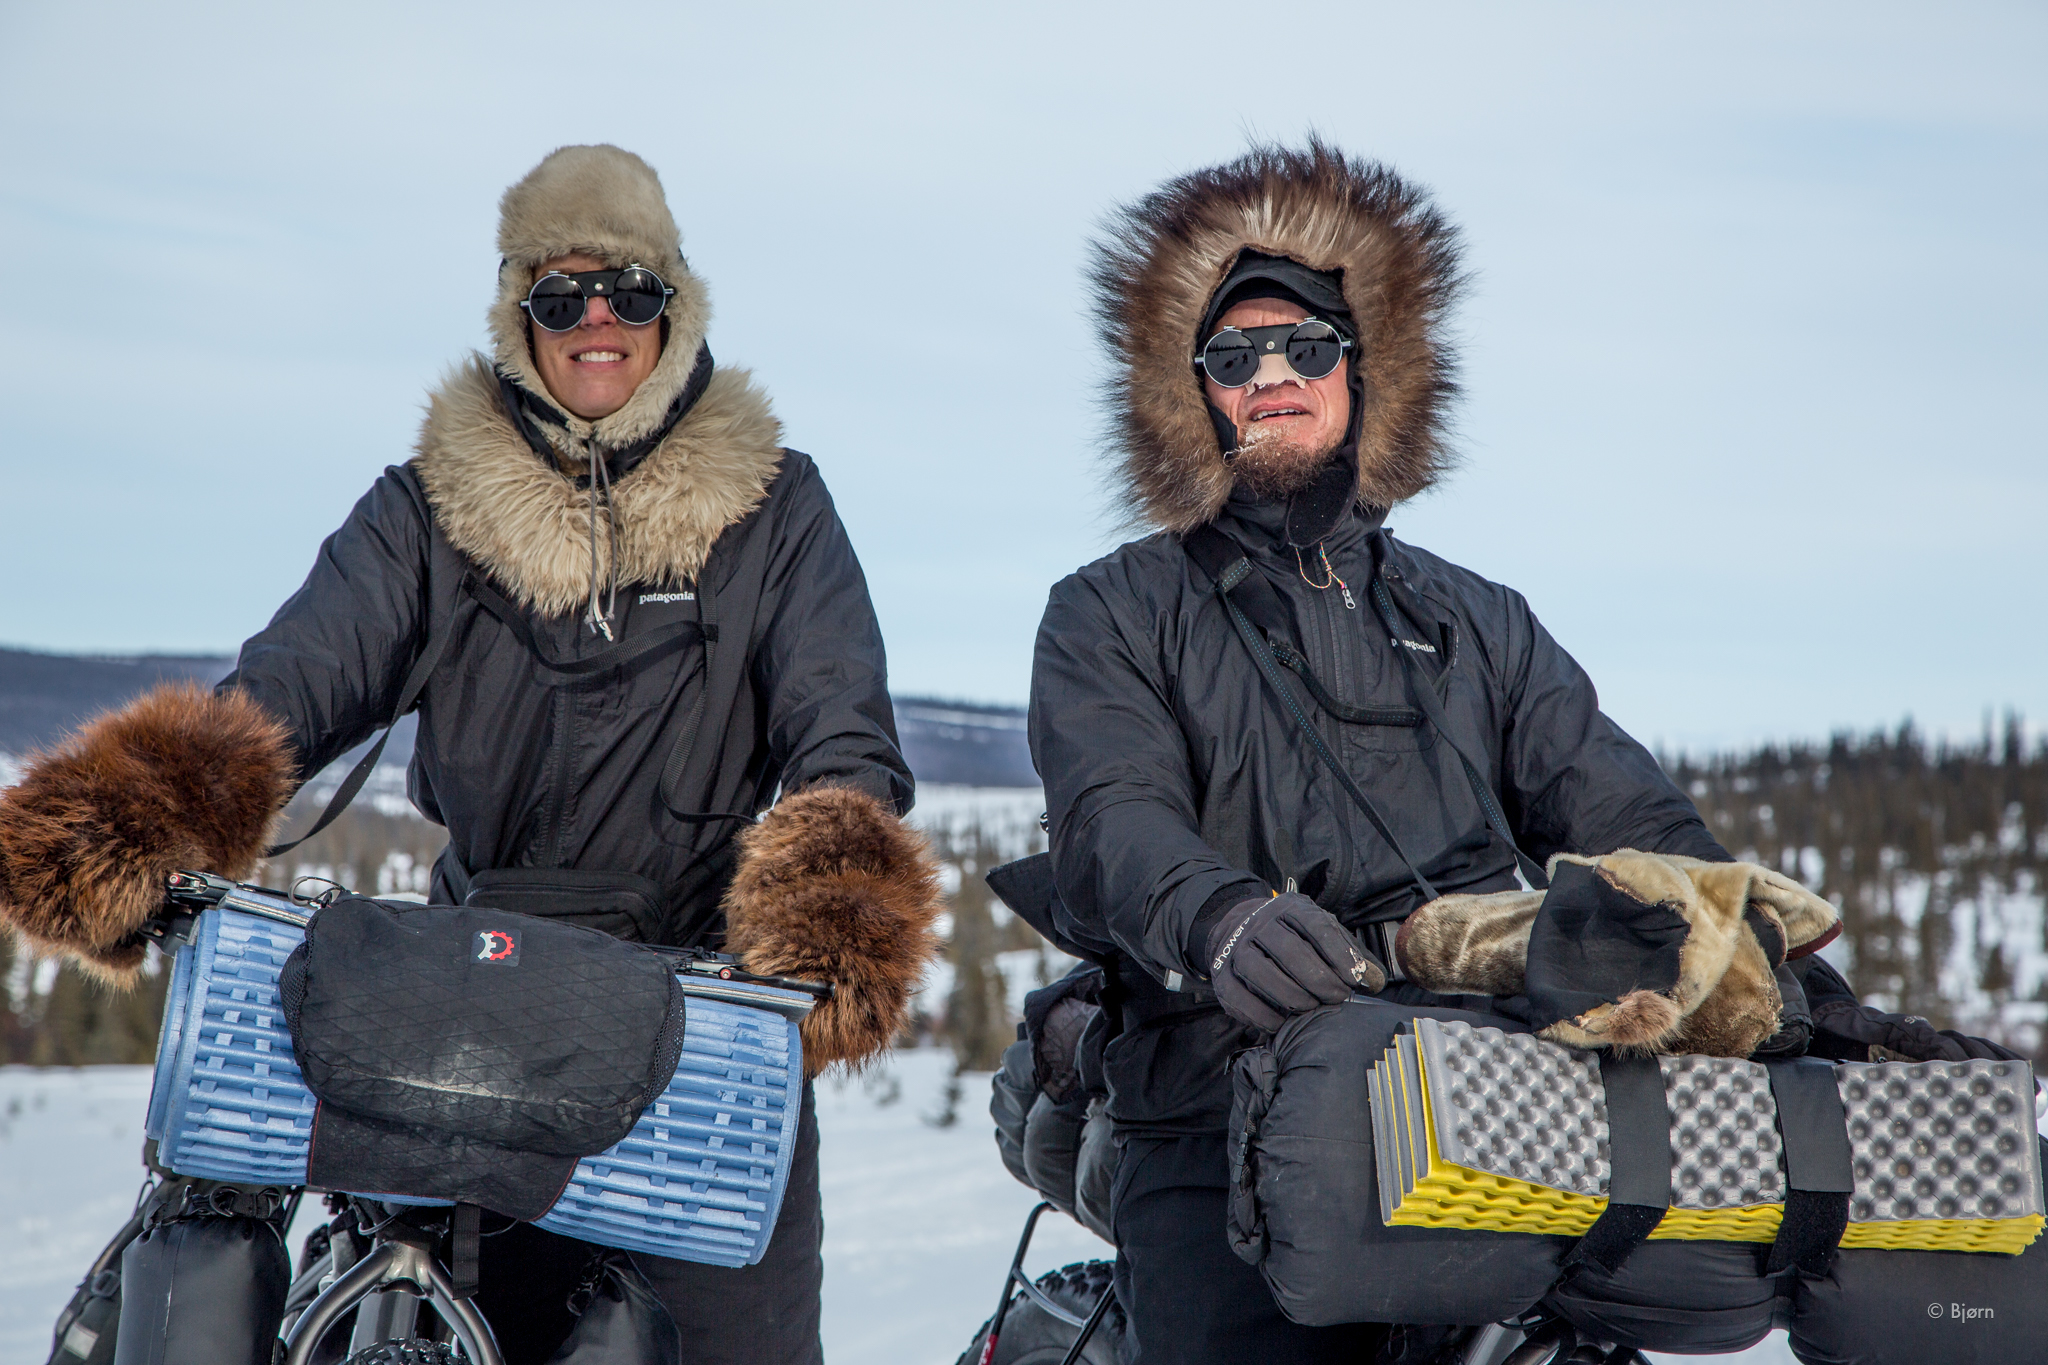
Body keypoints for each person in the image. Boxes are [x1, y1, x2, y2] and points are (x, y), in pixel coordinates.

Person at [0, 144, 941, 1365]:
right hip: (472, 995)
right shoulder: (431, 506)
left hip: (696, 1014)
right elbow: (299, 674)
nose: (595, 320)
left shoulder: (777, 509)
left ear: (674, 306)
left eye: (629, 291)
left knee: (732, 1338)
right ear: (520, 317)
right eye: (561, 296)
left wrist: (833, 904)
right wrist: (147, 806)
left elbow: (841, 729)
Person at [1027, 140, 1745, 1363]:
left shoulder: (1477, 618)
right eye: (1232, 355)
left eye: (1306, 347)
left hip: (1491, 1101)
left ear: (1367, 373)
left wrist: (1749, 945)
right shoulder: (1110, 608)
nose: (1271, 376)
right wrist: (1219, 920)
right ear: (1188, 391)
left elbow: (1620, 808)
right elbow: (1113, 815)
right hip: (1214, 1100)